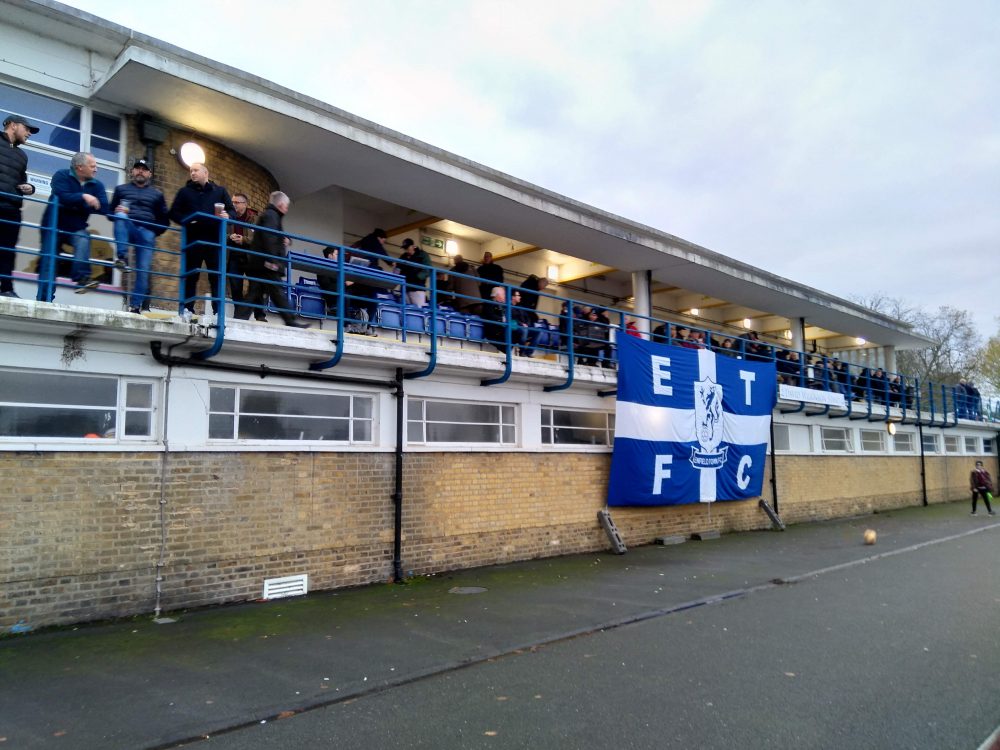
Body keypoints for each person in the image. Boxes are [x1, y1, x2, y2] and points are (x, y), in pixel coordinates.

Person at [168, 162, 234, 317]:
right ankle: (187, 308)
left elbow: (231, 210)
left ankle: (218, 311)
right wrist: (188, 220)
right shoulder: (185, 192)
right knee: (191, 275)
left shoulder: (220, 191)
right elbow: (174, 212)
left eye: (196, 170)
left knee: (216, 276)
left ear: (206, 173)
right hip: (193, 240)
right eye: (191, 171)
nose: (193, 173)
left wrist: (228, 216)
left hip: (214, 241)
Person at [39, 151, 109, 295]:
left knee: (83, 238)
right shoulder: (61, 175)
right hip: (53, 226)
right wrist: (84, 197)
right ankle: (45, 298)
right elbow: (62, 195)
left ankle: (82, 279)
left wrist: (78, 202)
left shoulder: (97, 185)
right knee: (49, 262)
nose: (96, 169)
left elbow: (103, 207)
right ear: (79, 167)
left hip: (76, 228)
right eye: (92, 166)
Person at [109, 158, 169, 313]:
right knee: (121, 217)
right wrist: (116, 212)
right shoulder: (121, 189)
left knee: (143, 270)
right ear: (132, 171)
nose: (140, 171)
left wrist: (154, 231)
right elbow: (110, 213)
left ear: (149, 173)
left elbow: (165, 220)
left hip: (146, 232)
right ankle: (122, 257)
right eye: (137, 168)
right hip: (127, 226)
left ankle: (135, 306)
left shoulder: (156, 194)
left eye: (144, 169)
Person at [245, 191, 309, 328]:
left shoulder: (269, 215)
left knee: (254, 293)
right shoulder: (272, 216)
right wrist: (274, 261)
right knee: (277, 292)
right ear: (281, 205)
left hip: (259, 262)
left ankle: (239, 317)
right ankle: (290, 321)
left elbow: (272, 236)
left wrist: (283, 239)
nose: (286, 209)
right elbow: (270, 238)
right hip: (267, 263)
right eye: (286, 206)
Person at [0, 114, 38, 298]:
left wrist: (30, 188)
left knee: (8, 251)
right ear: (13, 125)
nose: (29, 133)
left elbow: (22, 181)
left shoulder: (22, 155)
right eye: (27, 128)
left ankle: (6, 288)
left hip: (12, 209)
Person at [226, 193, 262, 321]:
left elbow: (259, 238)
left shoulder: (254, 218)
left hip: (250, 257)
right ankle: (239, 315)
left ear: (245, 204)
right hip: (234, 256)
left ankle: (260, 315)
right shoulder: (229, 216)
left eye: (237, 202)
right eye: (233, 202)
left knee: (255, 284)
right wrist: (229, 237)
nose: (233, 204)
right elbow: (220, 233)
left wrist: (244, 240)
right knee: (236, 287)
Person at [348, 227, 392, 325]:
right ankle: (366, 325)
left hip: (361, 272)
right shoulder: (374, 241)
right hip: (368, 272)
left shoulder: (365, 240)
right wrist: (391, 262)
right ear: (380, 238)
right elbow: (382, 253)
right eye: (383, 241)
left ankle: (363, 322)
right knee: (373, 298)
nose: (382, 243)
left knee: (370, 298)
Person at [398, 237, 431, 306]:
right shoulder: (402, 257)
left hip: (417, 288)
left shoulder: (422, 255)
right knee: (406, 312)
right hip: (405, 288)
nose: (406, 250)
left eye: (407, 247)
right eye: (405, 248)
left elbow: (427, 270)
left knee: (418, 313)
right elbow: (398, 269)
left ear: (413, 246)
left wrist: (416, 277)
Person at [510, 289, 540, 357]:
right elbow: (511, 319)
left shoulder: (520, 307)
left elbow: (527, 318)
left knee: (538, 331)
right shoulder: (508, 306)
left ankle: (528, 352)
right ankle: (522, 352)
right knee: (524, 330)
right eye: (518, 295)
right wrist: (521, 324)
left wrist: (527, 324)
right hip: (515, 327)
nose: (520, 297)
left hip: (524, 327)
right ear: (513, 297)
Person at [480, 285, 510, 354]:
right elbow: (490, 316)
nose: (505, 296)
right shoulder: (489, 303)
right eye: (503, 294)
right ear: (497, 295)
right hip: (492, 331)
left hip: (499, 330)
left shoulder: (502, 305)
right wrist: (502, 319)